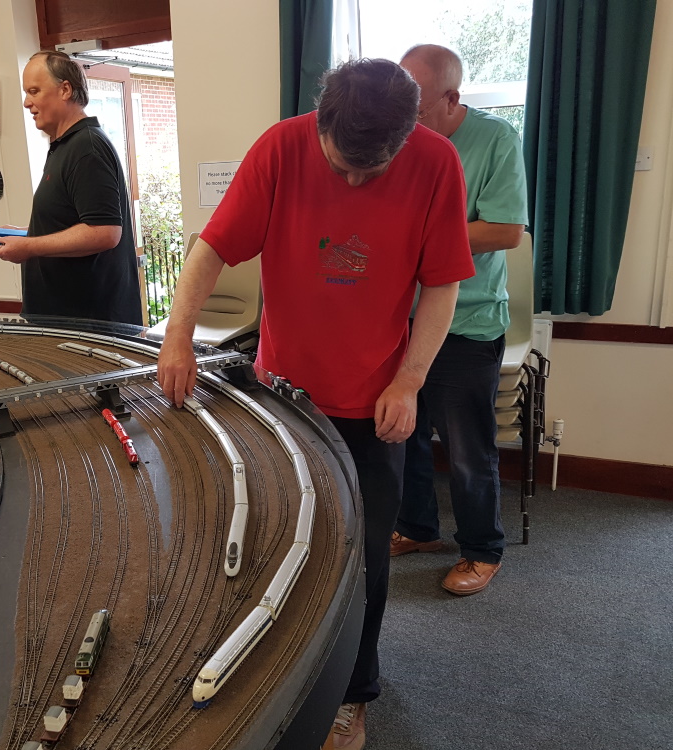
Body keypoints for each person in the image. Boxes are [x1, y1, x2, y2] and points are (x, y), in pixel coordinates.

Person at [157, 59, 474, 750]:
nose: (355, 182)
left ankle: (352, 694)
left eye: (372, 170)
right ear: (321, 121)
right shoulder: (280, 147)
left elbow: (443, 284)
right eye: (342, 166)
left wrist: (409, 381)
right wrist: (178, 334)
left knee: (364, 559)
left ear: (407, 135)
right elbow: (212, 248)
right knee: (276, 540)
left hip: (375, 404)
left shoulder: (437, 163)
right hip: (284, 397)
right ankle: (280, 671)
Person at [393, 45, 529, 596]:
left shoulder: (496, 139)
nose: (406, 122)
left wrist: (419, 235)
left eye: (418, 109)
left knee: (469, 450)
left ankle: (482, 549)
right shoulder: (399, 139)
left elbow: (506, 230)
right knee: (403, 435)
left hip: (468, 323)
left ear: (452, 98)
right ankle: (417, 529)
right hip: (401, 320)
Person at [0, 50, 143, 326]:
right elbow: (69, 222)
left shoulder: (87, 147)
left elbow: (104, 232)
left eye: (34, 91)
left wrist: (29, 246)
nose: (27, 103)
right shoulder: (65, 146)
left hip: (88, 326)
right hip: (64, 320)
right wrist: (27, 234)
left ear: (65, 90)